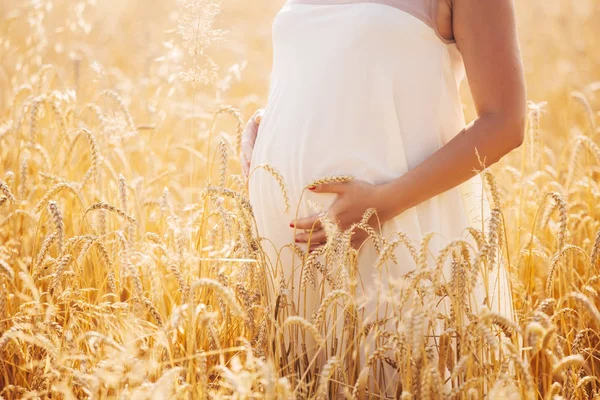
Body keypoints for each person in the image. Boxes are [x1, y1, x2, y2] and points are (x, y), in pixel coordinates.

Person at [240, 0, 526, 396]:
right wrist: (267, 120)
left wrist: (383, 203)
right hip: (289, 260)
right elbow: (329, 66)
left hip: (394, 243)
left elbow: (505, 122)